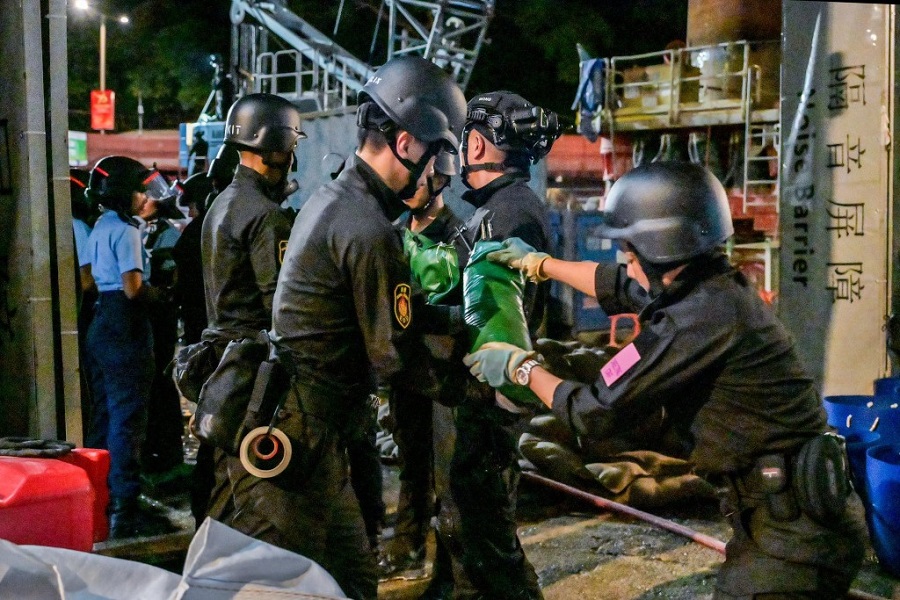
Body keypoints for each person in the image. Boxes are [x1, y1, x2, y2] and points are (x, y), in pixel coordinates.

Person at [466, 161, 869, 599]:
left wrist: (521, 368)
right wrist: (540, 264)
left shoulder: (693, 321)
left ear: (660, 248)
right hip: (790, 518)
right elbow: (621, 286)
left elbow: (594, 411)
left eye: (631, 255)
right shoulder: (710, 290)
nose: (627, 265)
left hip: (793, 537)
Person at [267, 55, 466, 600]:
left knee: (351, 578)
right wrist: (477, 385)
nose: (435, 174)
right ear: (406, 143)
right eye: (436, 156)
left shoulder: (334, 199)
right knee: (325, 585)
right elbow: (392, 354)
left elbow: (383, 312)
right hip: (309, 439)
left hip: (307, 428)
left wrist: (456, 320)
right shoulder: (368, 227)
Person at [431, 90, 562, 600]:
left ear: (479, 146)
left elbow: (497, 316)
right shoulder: (504, 207)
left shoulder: (508, 215)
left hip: (490, 397)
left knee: (486, 531)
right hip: (484, 391)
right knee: (469, 523)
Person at [200, 93, 303, 529]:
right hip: (253, 373)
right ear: (277, 147)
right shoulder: (265, 215)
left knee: (224, 487)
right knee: (253, 501)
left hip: (222, 364)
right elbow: (280, 307)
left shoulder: (221, 203)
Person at [378, 151, 464, 580]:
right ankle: (406, 543)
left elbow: (473, 311)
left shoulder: (460, 237)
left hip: (447, 375)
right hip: (408, 370)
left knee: (448, 478)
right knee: (412, 464)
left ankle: (447, 572)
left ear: (441, 179)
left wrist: (424, 313)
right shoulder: (394, 234)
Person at [82, 155, 177, 539]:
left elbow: (91, 281)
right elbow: (133, 288)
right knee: (128, 420)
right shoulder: (127, 232)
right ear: (125, 194)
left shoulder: (99, 227)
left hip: (101, 323)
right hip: (126, 326)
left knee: (104, 417)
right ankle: (125, 509)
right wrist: (165, 295)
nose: (145, 197)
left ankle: (96, 500)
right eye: (140, 190)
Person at [136, 183, 187, 478]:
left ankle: (167, 448)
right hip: (148, 315)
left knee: (161, 380)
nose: (143, 203)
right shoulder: (142, 230)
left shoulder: (165, 233)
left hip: (160, 317)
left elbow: (169, 277)